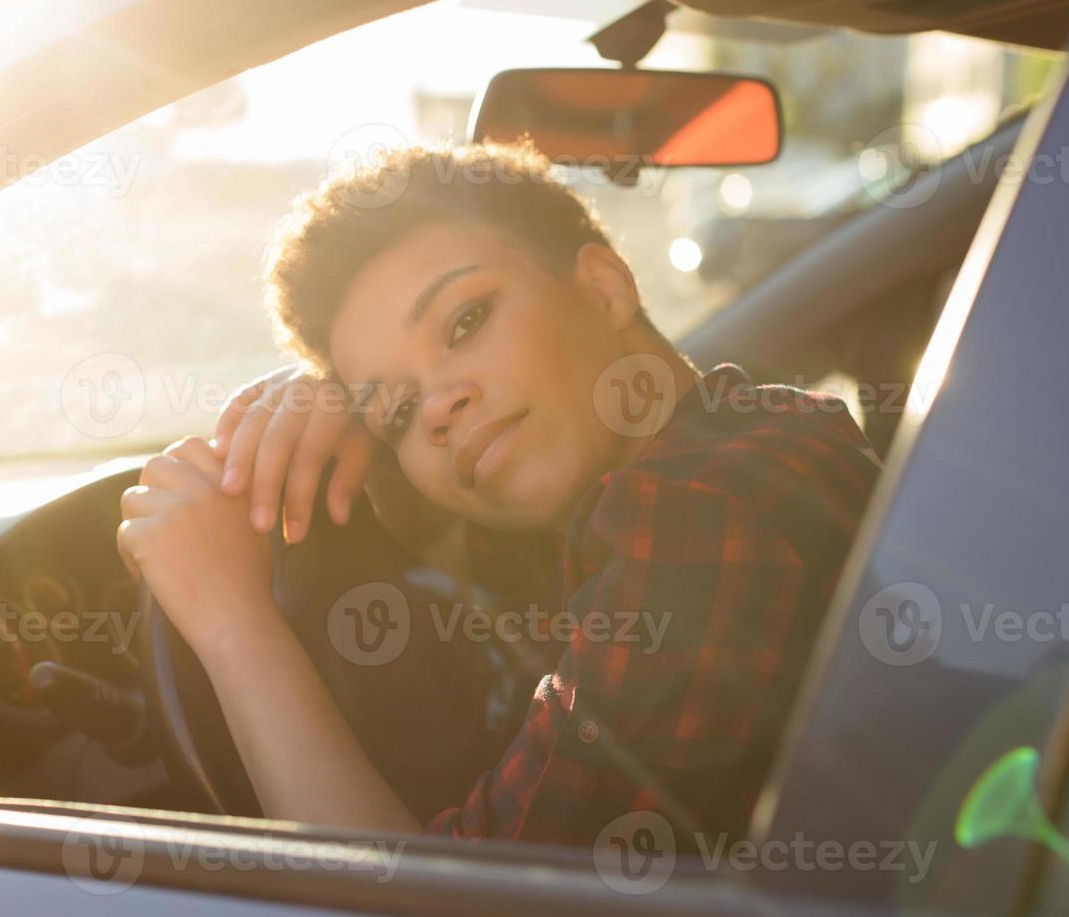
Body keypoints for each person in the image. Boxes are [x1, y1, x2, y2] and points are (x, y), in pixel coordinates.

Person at [116, 141, 882, 845]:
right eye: (400, 412)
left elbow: (448, 907)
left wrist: (232, 623)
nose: (439, 406)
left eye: (466, 321)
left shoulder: (698, 516)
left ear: (604, 287)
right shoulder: (759, 430)